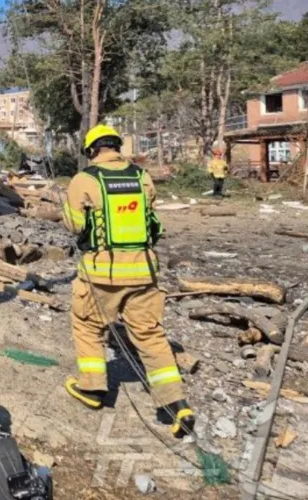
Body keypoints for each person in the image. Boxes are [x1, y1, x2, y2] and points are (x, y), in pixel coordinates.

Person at [61, 124, 195, 439]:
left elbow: (75, 225)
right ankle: (176, 406)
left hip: (102, 273)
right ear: (117, 147)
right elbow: (149, 217)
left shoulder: (85, 180)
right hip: (144, 271)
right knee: (150, 336)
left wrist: (68, 207)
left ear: (92, 150)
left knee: (88, 325)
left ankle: (93, 388)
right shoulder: (142, 177)